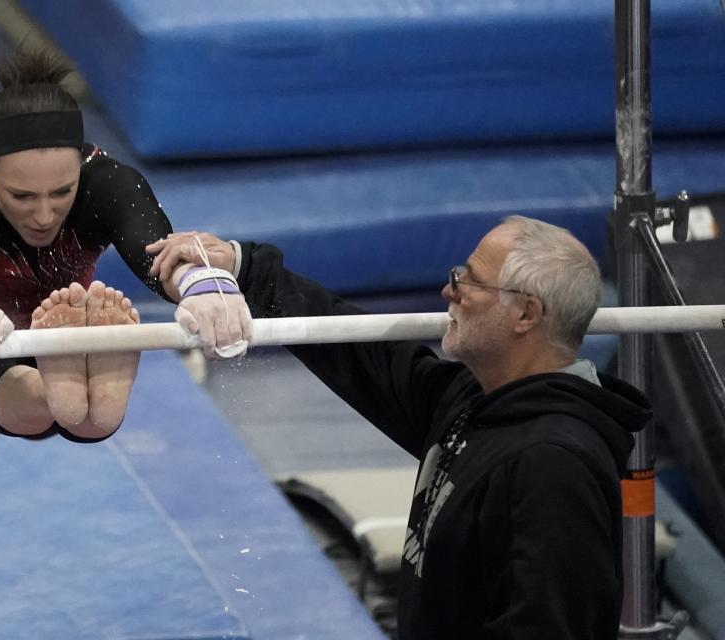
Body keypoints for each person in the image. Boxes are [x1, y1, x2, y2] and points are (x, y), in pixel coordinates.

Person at [147, 217, 651, 639]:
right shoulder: (476, 400)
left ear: (526, 313)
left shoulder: (554, 463)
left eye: (469, 279)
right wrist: (244, 267)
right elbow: (360, 355)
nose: (448, 290)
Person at [0, 47, 250, 444]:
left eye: (62, 192)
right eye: (22, 196)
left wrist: (197, 282)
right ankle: (61, 401)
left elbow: (154, 247)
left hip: (63, 340)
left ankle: (73, 400)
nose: (44, 215)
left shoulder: (107, 182)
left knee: (69, 406)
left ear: (81, 163)